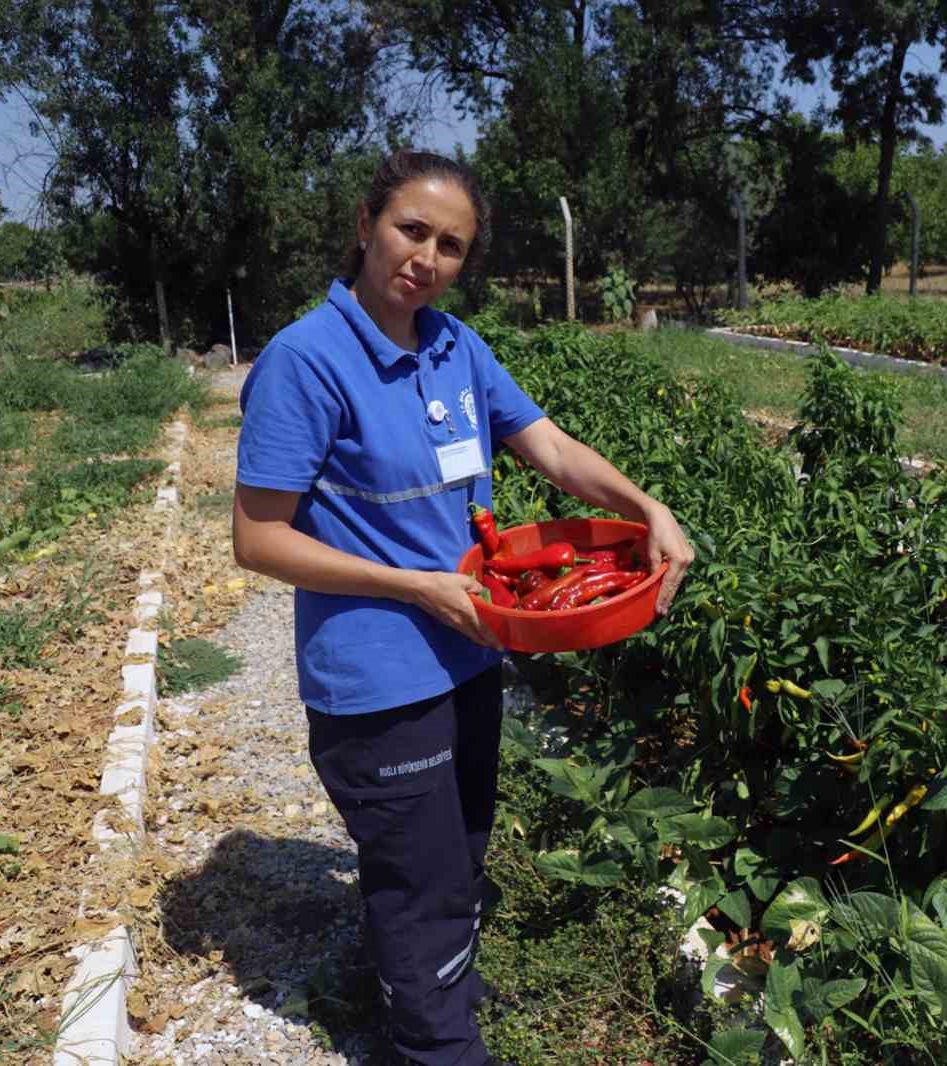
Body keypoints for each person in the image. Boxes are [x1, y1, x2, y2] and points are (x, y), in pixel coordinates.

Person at [231, 148, 693, 1066]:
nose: (426, 258)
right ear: (365, 225)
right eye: (411, 230)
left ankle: (431, 997)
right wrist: (414, 585)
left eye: (450, 245)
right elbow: (259, 539)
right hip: (377, 675)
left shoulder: (454, 346)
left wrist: (648, 508)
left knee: (458, 854)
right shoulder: (306, 360)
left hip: (472, 651)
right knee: (422, 879)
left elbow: (550, 449)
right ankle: (438, 1044)